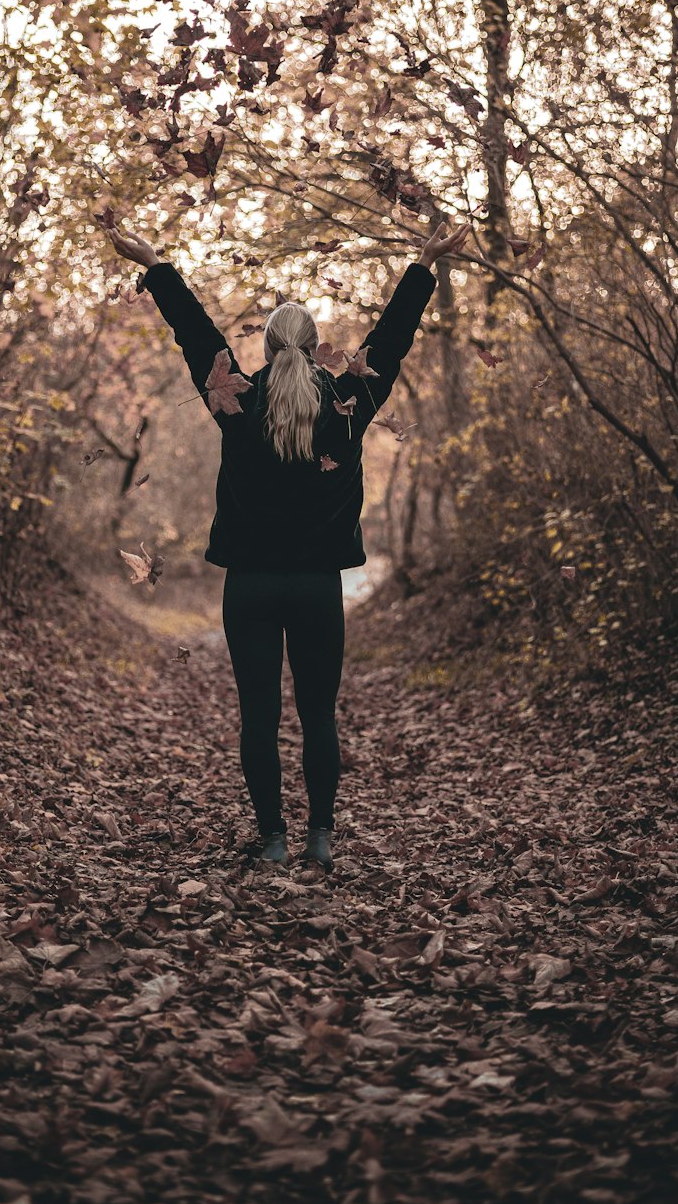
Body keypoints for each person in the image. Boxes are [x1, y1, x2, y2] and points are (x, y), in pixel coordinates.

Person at [107, 220, 465, 869]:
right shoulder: (351, 400)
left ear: (269, 349)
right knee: (319, 716)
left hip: (249, 586)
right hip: (316, 588)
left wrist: (157, 264)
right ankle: (319, 838)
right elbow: (392, 339)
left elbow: (197, 336)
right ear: (315, 346)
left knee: (259, 719)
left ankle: (273, 839)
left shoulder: (235, 399)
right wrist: (423, 263)